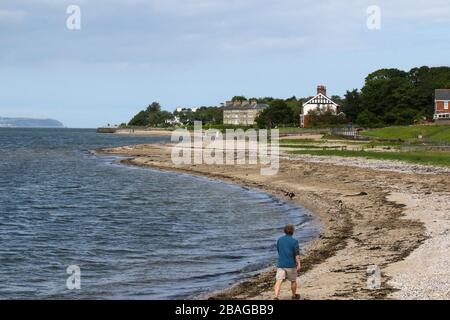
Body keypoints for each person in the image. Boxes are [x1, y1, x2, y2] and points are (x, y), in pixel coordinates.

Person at [274, 224, 301, 300]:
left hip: (281, 264)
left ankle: (276, 296)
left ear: (284, 231)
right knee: (293, 281)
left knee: (279, 280)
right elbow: (297, 255)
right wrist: (298, 264)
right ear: (292, 231)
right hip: (291, 264)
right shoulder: (294, 241)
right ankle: (293, 295)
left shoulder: (279, 240)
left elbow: (279, 250)